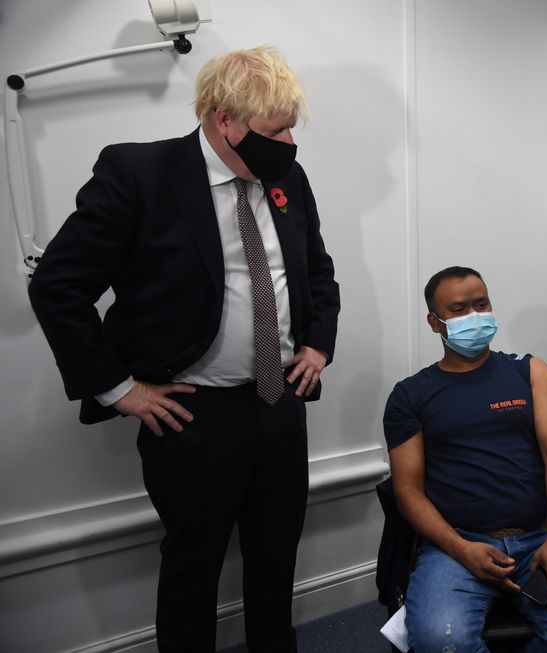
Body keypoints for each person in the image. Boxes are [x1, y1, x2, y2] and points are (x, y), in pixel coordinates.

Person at [28, 47, 341, 652]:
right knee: (192, 570)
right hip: (194, 414)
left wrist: (317, 345)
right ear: (226, 120)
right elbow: (58, 286)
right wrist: (120, 389)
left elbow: (317, 273)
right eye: (276, 129)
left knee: (275, 558)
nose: (290, 141)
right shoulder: (139, 174)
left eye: (291, 126)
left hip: (280, 404)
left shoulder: (288, 180)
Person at [382, 266, 547, 653]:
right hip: (455, 545)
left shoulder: (530, 372)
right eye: (458, 310)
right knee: (443, 641)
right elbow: (408, 492)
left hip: (541, 536)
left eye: (481, 304)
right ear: (435, 323)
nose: (474, 316)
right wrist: (461, 549)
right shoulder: (410, 395)